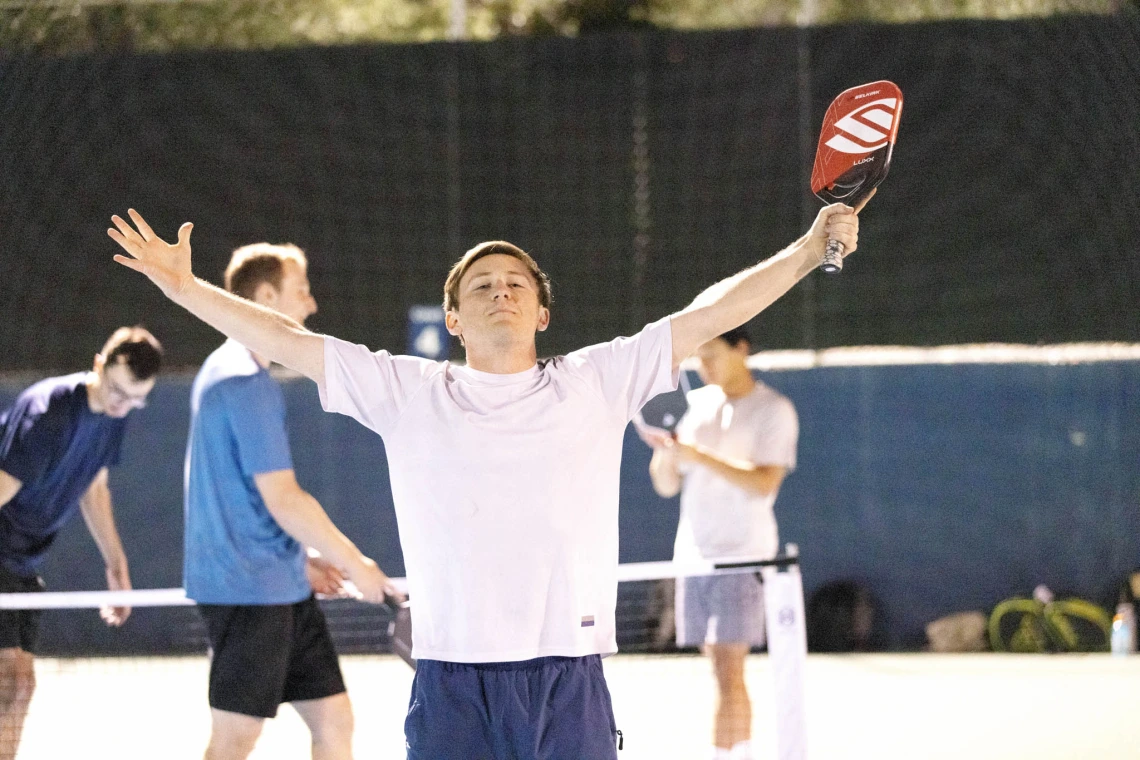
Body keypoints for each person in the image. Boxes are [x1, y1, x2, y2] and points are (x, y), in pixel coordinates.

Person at [107, 192, 866, 759]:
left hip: (569, 680)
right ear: (456, 321)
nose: (500, 289)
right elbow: (287, 338)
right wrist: (184, 288)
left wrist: (804, 252)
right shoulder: (408, 391)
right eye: (481, 286)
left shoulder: (597, 380)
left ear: (541, 314)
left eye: (516, 283)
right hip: (451, 681)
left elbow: (708, 314)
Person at [184, 242, 398, 760]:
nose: (311, 305)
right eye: (301, 292)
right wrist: (357, 564)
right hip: (248, 592)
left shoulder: (228, 371)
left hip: (280, 586)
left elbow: (238, 497)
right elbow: (283, 498)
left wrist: (299, 561)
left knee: (334, 720)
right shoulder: (242, 381)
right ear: (264, 296)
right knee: (236, 738)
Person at [0, 326, 163, 760]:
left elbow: (94, 486)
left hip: (24, 560)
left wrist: (116, 565)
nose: (121, 404)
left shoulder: (114, 418)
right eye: (116, 390)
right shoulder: (49, 413)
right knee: (11, 682)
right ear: (98, 365)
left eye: (134, 399)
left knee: (18, 689)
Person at [645, 327, 798, 760]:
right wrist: (667, 454)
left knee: (729, 669)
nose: (702, 365)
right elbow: (666, 485)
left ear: (742, 349)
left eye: (711, 354)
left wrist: (699, 456)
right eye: (697, 357)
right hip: (693, 559)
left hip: (743, 558)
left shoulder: (774, 410)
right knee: (719, 670)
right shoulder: (694, 407)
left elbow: (764, 483)